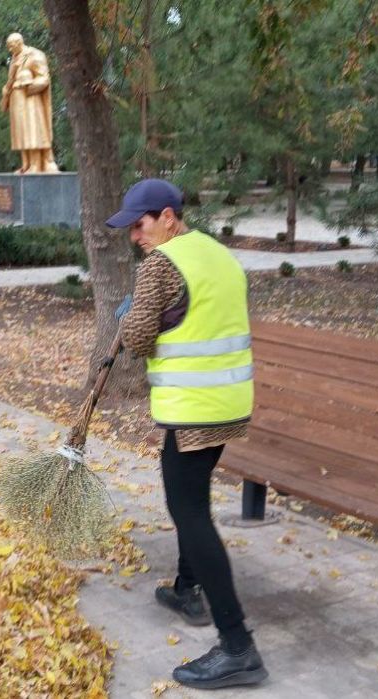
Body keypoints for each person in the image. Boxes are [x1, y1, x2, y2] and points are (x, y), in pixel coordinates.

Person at [107, 179, 268, 690]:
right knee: (191, 496)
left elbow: (138, 340)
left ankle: (238, 647)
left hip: (194, 407)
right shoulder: (218, 254)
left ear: (168, 217)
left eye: (140, 224)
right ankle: (185, 588)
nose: (135, 236)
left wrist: (131, 316)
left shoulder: (161, 264)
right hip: (228, 402)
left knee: (189, 510)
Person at [0, 33, 59, 174]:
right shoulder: (14, 59)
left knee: (32, 131)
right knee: (21, 133)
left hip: (30, 100)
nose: (10, 50)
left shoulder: (34, 55)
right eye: (8, 47)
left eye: (11, 46)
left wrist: (26, 85)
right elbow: (10, 81)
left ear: (19, 43)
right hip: (16, 101)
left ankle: (36, 164)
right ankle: (26, 164)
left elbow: (44, 78)